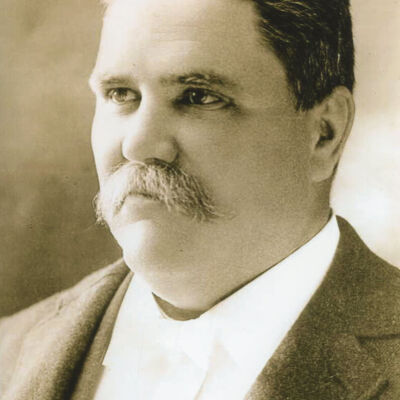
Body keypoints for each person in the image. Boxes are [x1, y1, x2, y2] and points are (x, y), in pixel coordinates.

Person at [1, 0, 399, 399]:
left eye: (198, 97)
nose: (138, 144)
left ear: (324, 133)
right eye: (120, 94)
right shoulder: (9, 351)